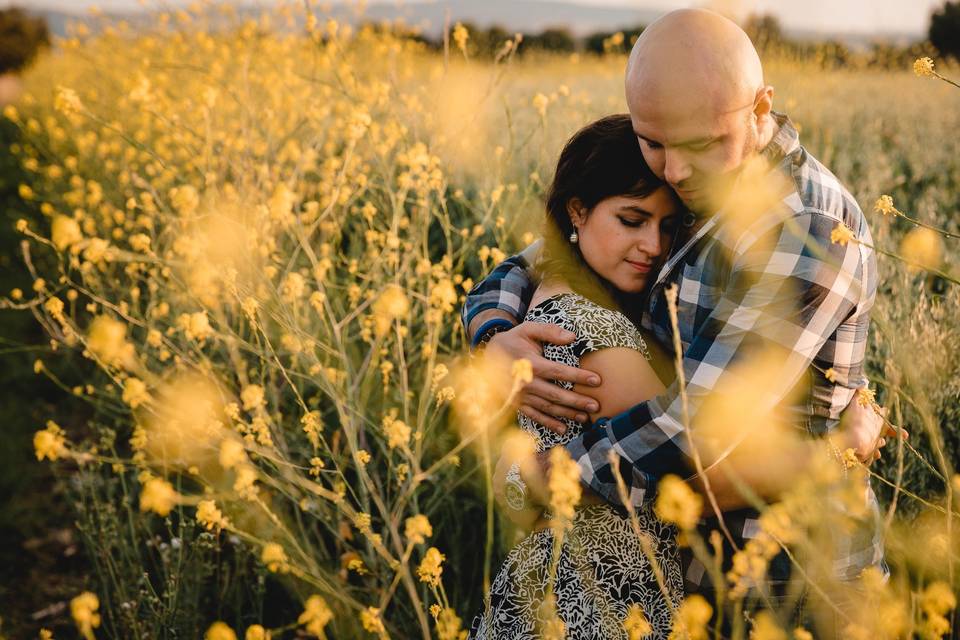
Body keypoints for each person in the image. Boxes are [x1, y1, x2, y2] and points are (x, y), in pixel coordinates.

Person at [464, 8, 897, 633]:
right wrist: (493, 338)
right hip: (678, 577)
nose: (673, 170)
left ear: (759, 108)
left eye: (698, 144)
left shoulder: (804, 229)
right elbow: (542, 254)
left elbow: (690, 436)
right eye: (653, 142)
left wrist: (534, 477)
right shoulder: (690, 185)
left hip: (790, 579)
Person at [469, 114, 686, 639]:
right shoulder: (593, 337)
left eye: (668, 226)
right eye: (632, 221)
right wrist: (842, 442)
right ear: (578, 212)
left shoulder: (542, 296)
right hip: (599, 601)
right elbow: (712, 457)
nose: (654, 247)